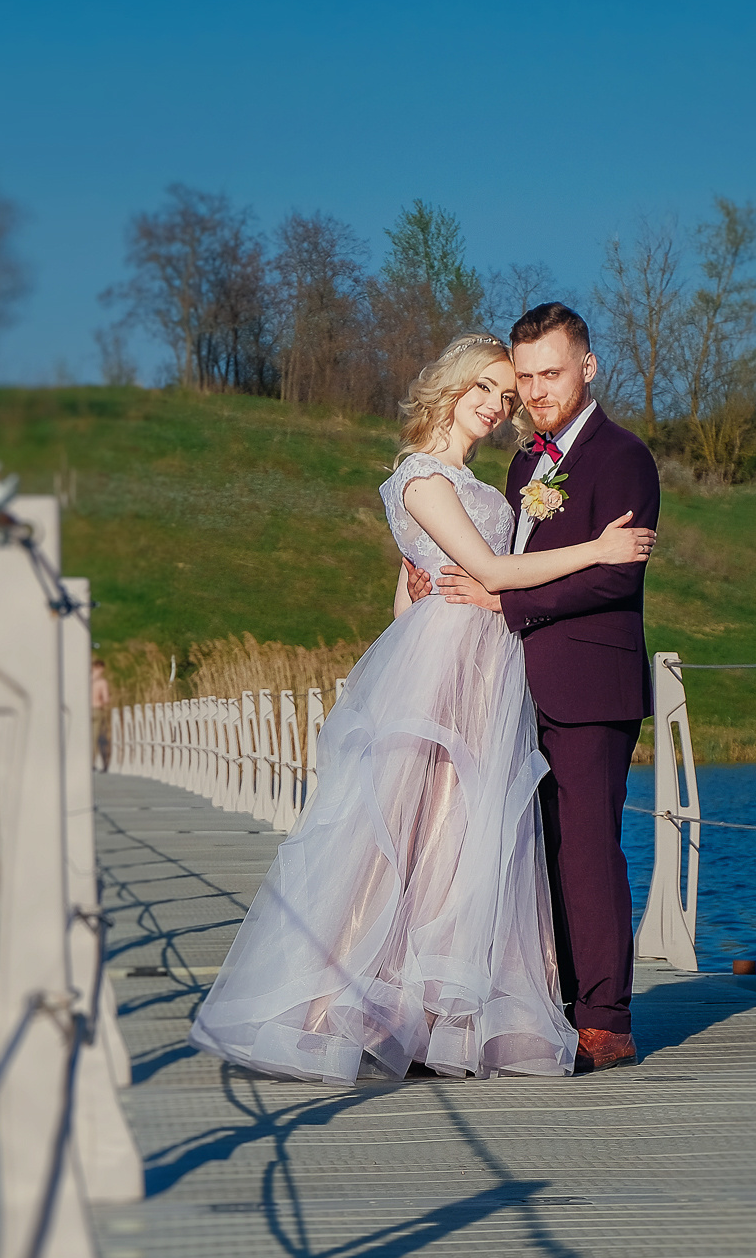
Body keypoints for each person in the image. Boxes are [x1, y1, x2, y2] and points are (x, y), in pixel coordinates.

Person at [186, 331, 655, 1083]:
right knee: (416, 830)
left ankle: (438, 1014)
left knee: (461, 834)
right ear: (449, 386)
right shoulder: (423, 476)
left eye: (507, 397)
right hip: (451, 666)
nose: (499, 407)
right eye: (487, 389)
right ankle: (352, 1006)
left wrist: (422, 591)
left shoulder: (492, 475)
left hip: (485, 667)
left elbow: (407, 597)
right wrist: (597, 551)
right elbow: (491, 569)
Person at [423, 302, 661, 1073]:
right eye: (524, 378)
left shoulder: (624, 458)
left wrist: (505, 601)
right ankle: (551, 1005)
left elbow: (614, 575)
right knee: (534, 849)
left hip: (593, 683)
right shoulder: (526, 463)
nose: (535, 391)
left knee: (587, 849)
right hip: (518, 685)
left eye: (550, 373)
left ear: (588, 368)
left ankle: (606, 1022)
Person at [89, 657, 114, 771]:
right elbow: (106, 699)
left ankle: (87, 761)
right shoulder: (102, 682)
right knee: (96, 737)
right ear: (100, 668)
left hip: (85, 710)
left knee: (87, 737)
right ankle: (94, 762)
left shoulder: (86, 679)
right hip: (97, 709)